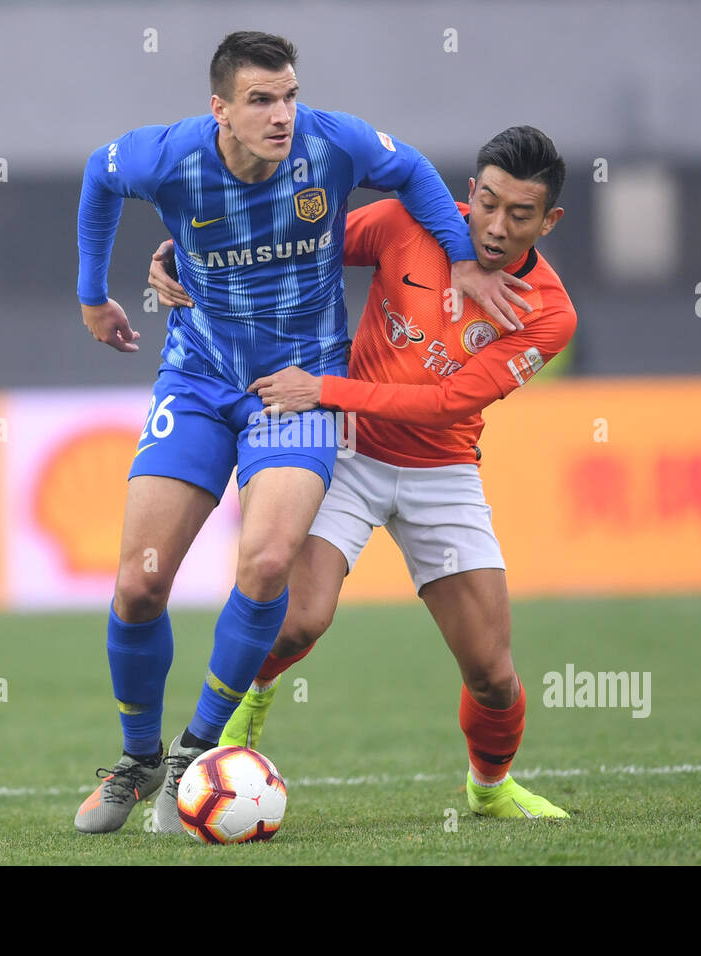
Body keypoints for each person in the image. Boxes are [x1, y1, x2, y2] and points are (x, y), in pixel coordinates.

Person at [75, 31, 531, 835]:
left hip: (298, 389)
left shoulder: (332, 144)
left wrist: (463, 256)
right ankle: (137, 759)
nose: (283, 114)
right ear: (219, 110)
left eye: (288, 95)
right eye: (261, 100)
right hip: (198, 375)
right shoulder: (167, 159)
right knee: (140, 583)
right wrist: (94, 294)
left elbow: (414, 171)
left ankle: (195, 751)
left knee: (270, 559)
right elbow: (97, 176)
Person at [148, 126, 576, 819]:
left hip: (442, 472)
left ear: (549, 220)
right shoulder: (406, 223)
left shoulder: (551, 313)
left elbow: (449, 405)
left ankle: (490, 791)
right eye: (488, 203)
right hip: (347, 453)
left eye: (519, 214)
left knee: (494, 676)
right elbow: (283, 245)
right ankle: (236, 720)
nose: (496, 227)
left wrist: (325, 388)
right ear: (469, 193)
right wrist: (178, 255)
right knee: (295, 623)